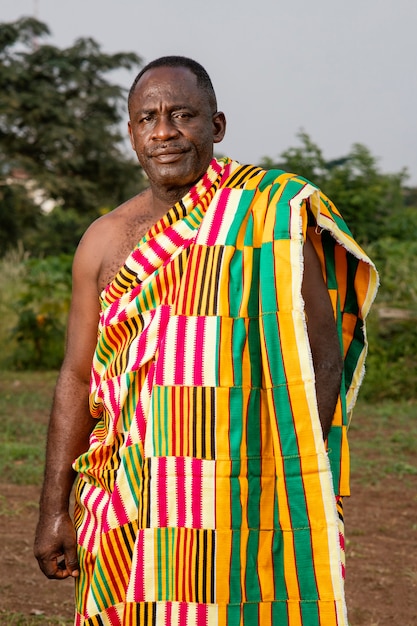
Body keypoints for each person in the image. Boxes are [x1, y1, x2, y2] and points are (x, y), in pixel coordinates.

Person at [34, 56, 378, 626]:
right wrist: (53, 510)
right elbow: (76, 375)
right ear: (131, 134)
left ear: (216, 127)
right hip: (130, 497)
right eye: (148, 118)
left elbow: (322, 352)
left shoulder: (272, 214)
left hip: (241, 490)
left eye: (182, 115)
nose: (164, 131)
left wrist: (287, 470)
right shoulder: (102, 241)